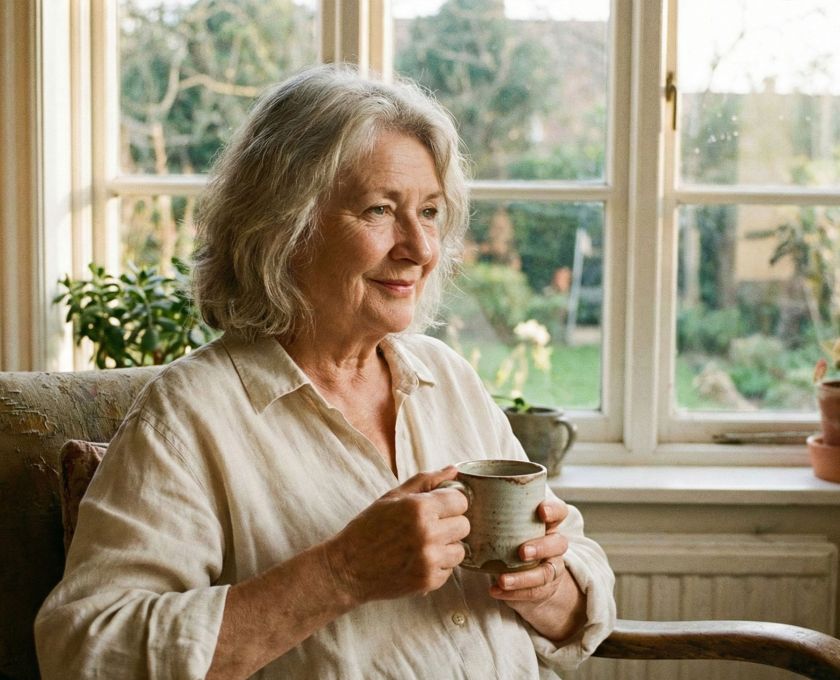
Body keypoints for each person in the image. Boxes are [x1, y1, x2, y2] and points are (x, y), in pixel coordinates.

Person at [35, 64, 615, 679]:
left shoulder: (448, 378)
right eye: (379, 210)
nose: (419, 248)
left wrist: (544, 581)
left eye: (430, 212)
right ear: (284, 229)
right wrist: (342, 573)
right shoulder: (190, 414)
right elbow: (85, 649)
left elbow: (581, 576)